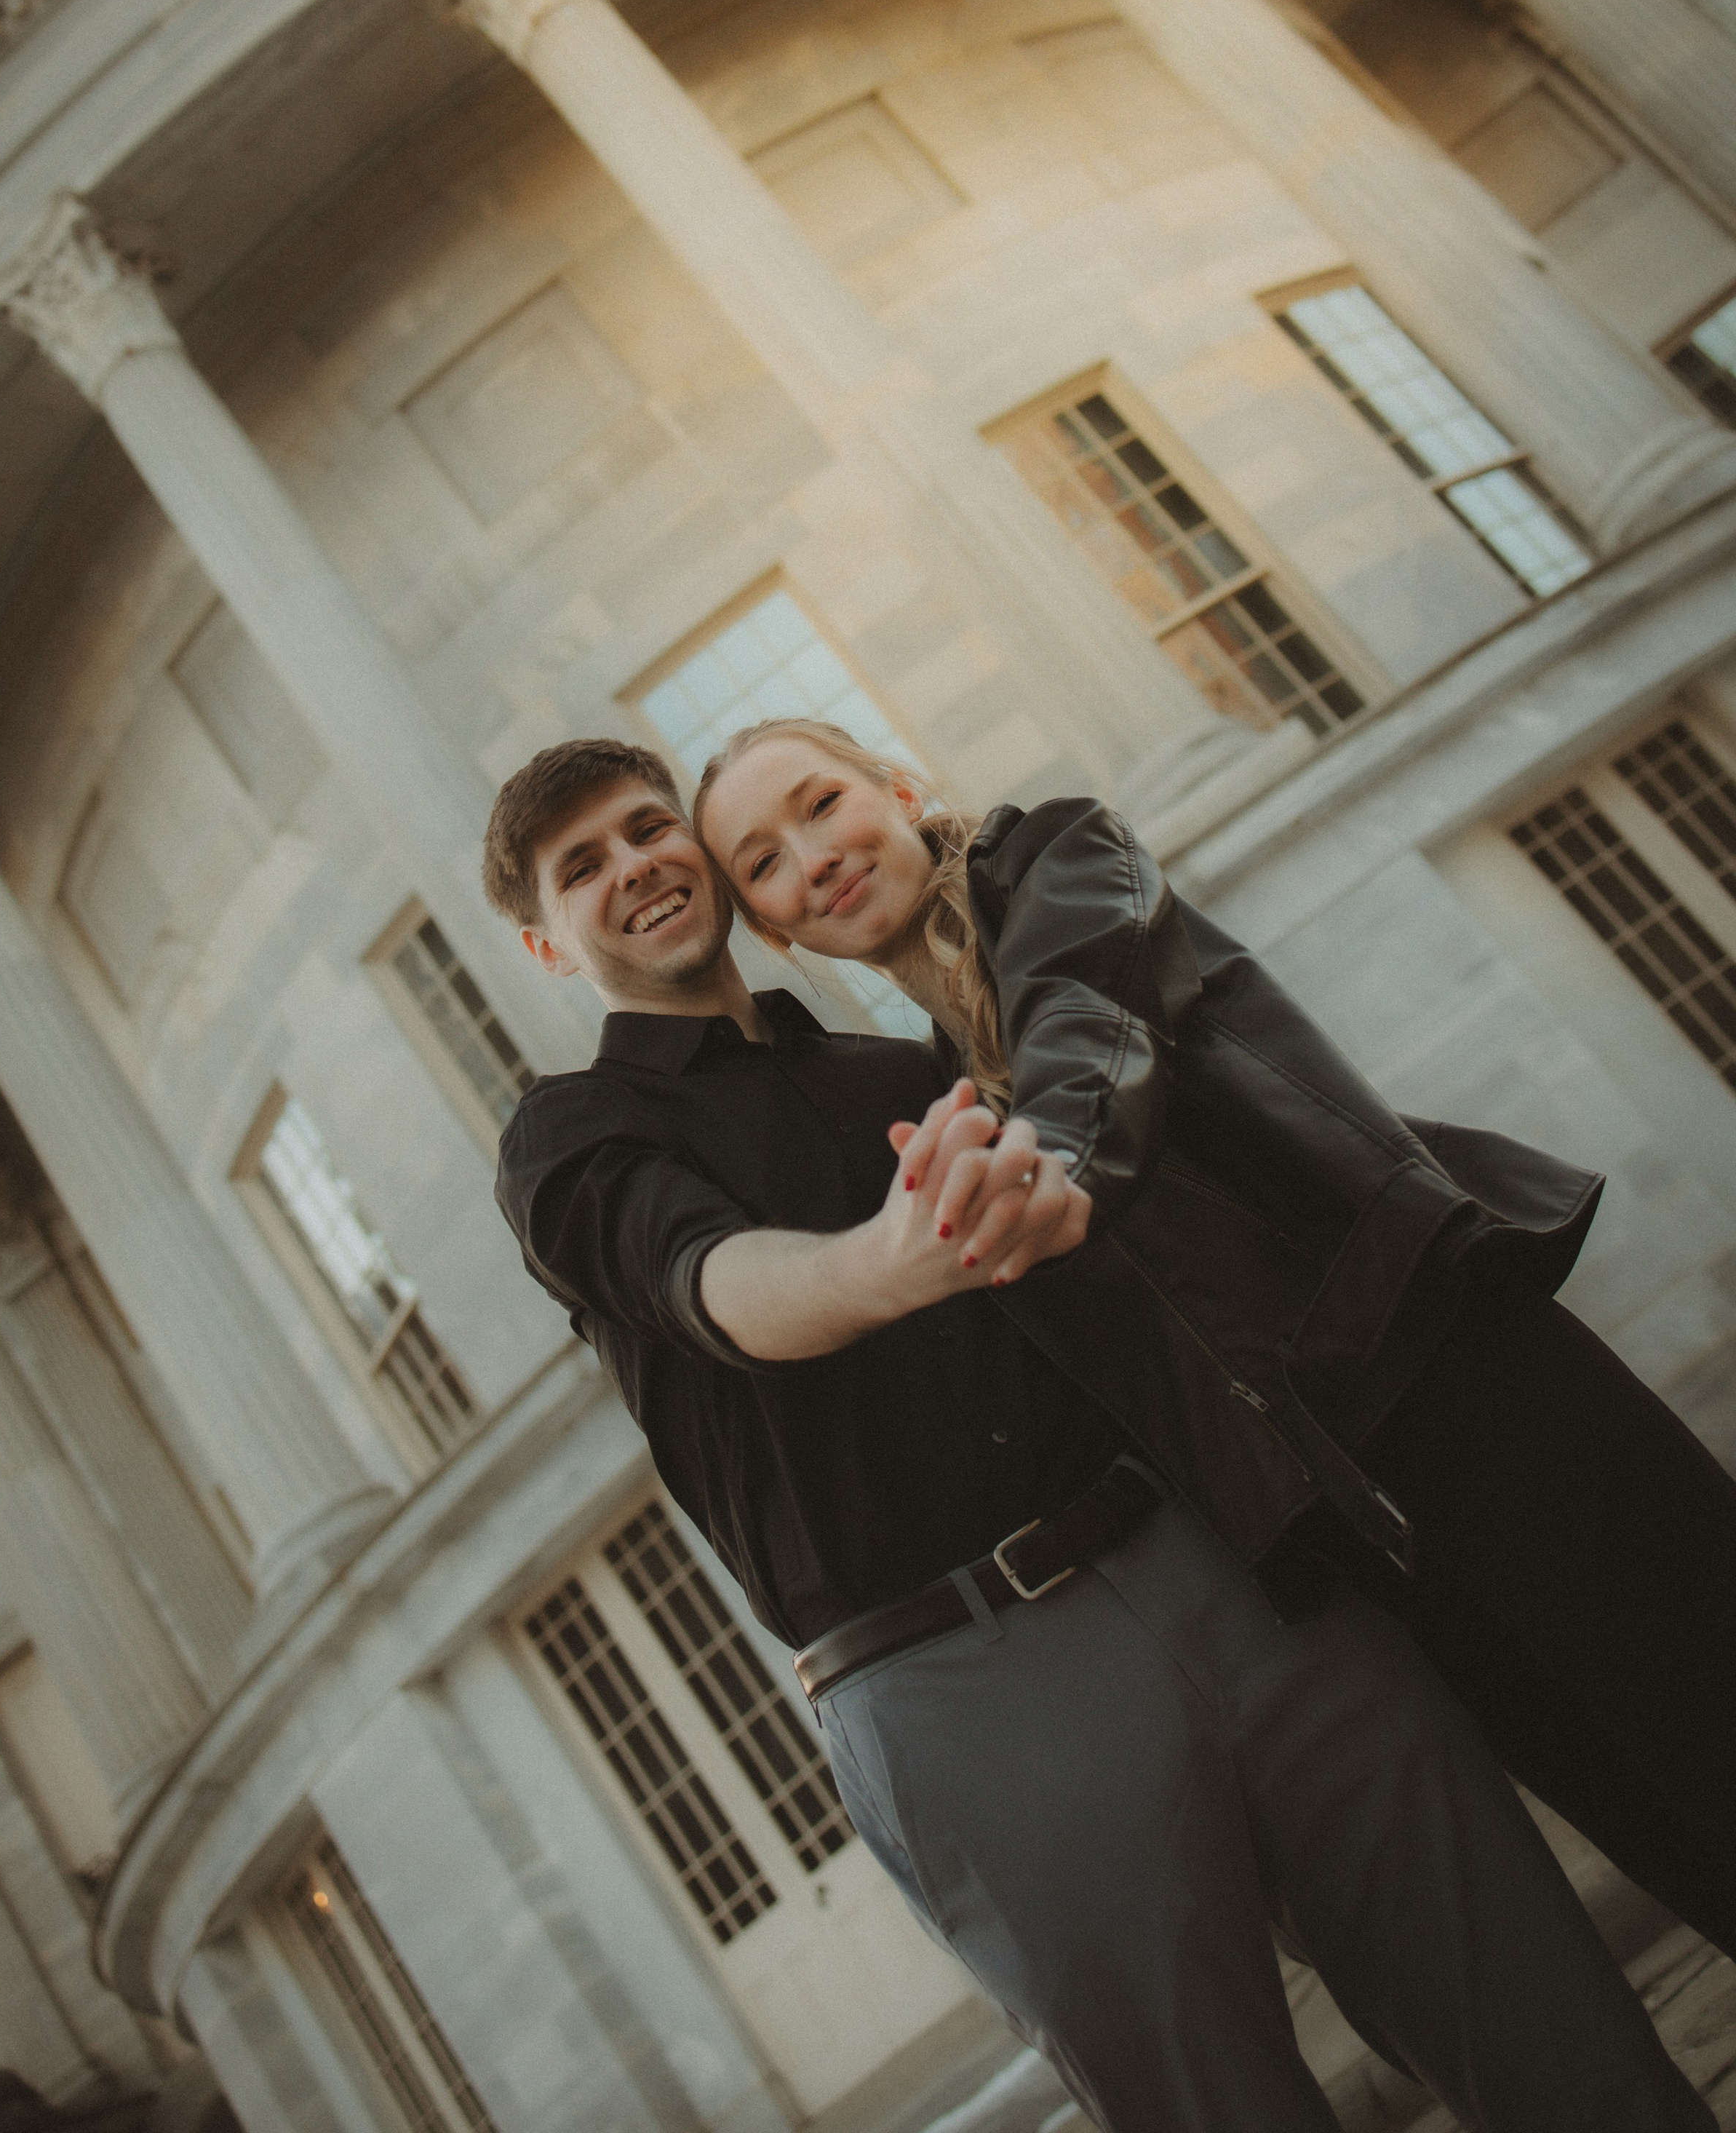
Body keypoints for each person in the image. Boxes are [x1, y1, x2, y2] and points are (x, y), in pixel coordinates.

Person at [488, 734, 1712, 2133]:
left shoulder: (951, 1020)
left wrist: (1038, 1180)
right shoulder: (572, 1133)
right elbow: (706, 1283)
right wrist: (888, 1262)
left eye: (654, 829)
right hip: (979, 1666)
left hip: (1292, 1517)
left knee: (1541, 1993)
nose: (638, 865)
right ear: (545, 944)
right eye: (584, 865)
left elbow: (1096, 1062)